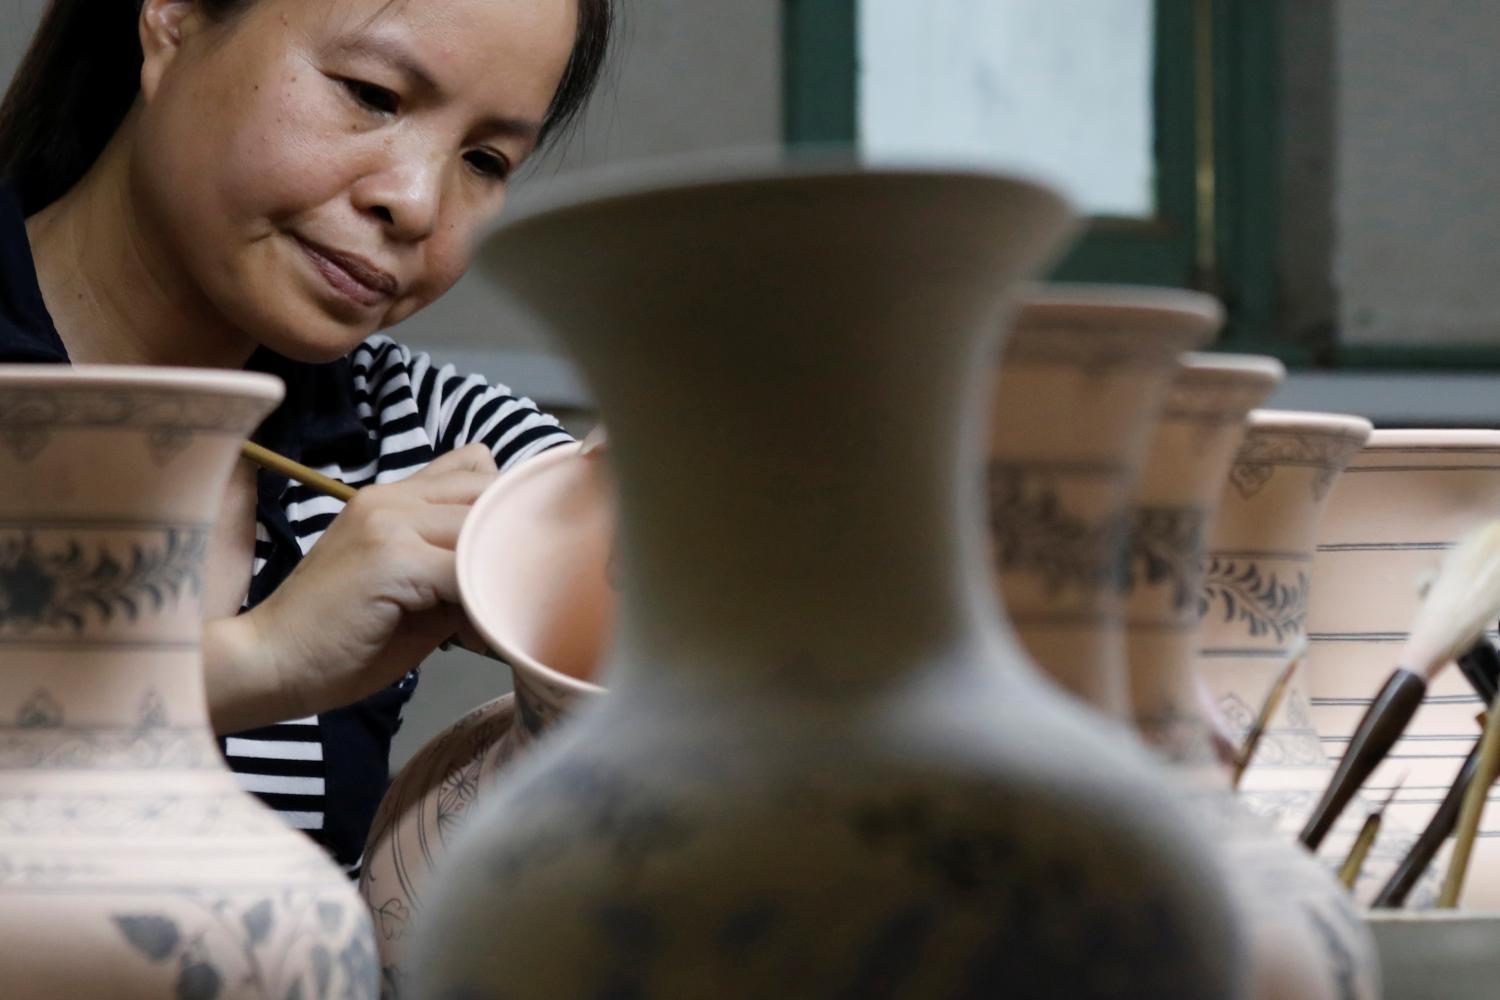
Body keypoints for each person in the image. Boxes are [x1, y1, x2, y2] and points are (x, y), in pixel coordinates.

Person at [0, 0, 613, 874]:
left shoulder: (428, 430)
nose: (415, 202)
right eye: (371, 92)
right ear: (172, 18)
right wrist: (262, 658)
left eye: (485, 159)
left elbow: (689, 605)